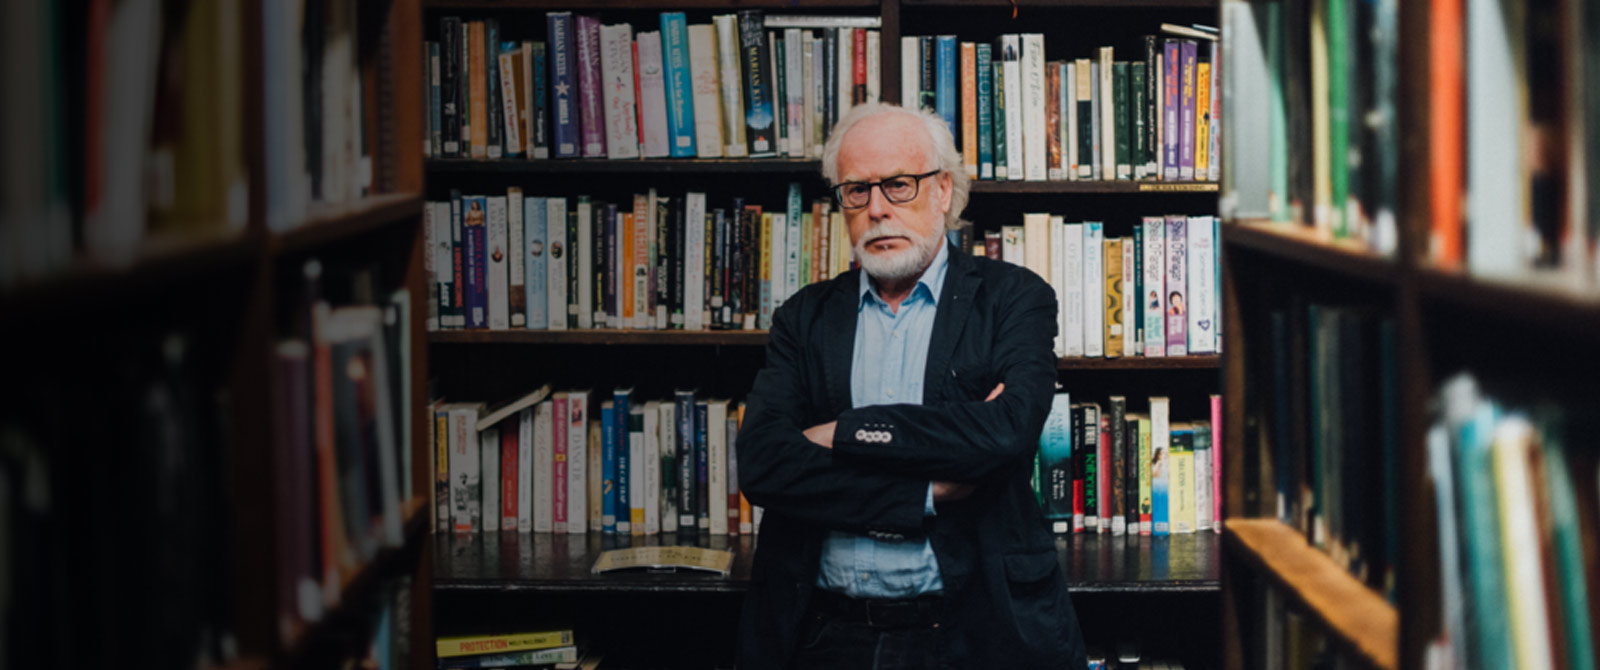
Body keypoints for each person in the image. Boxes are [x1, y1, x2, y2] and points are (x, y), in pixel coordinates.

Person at [736, 102, 1088, 670]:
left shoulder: (1012, 299)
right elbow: (763, 464)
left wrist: (841, 431)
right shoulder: (803, 319)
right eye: (856, 191)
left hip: (972, 631)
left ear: (943, 191)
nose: (876, 210)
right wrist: (927, 491)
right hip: (819, 632)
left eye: (898, 185)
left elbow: (1007, 434)